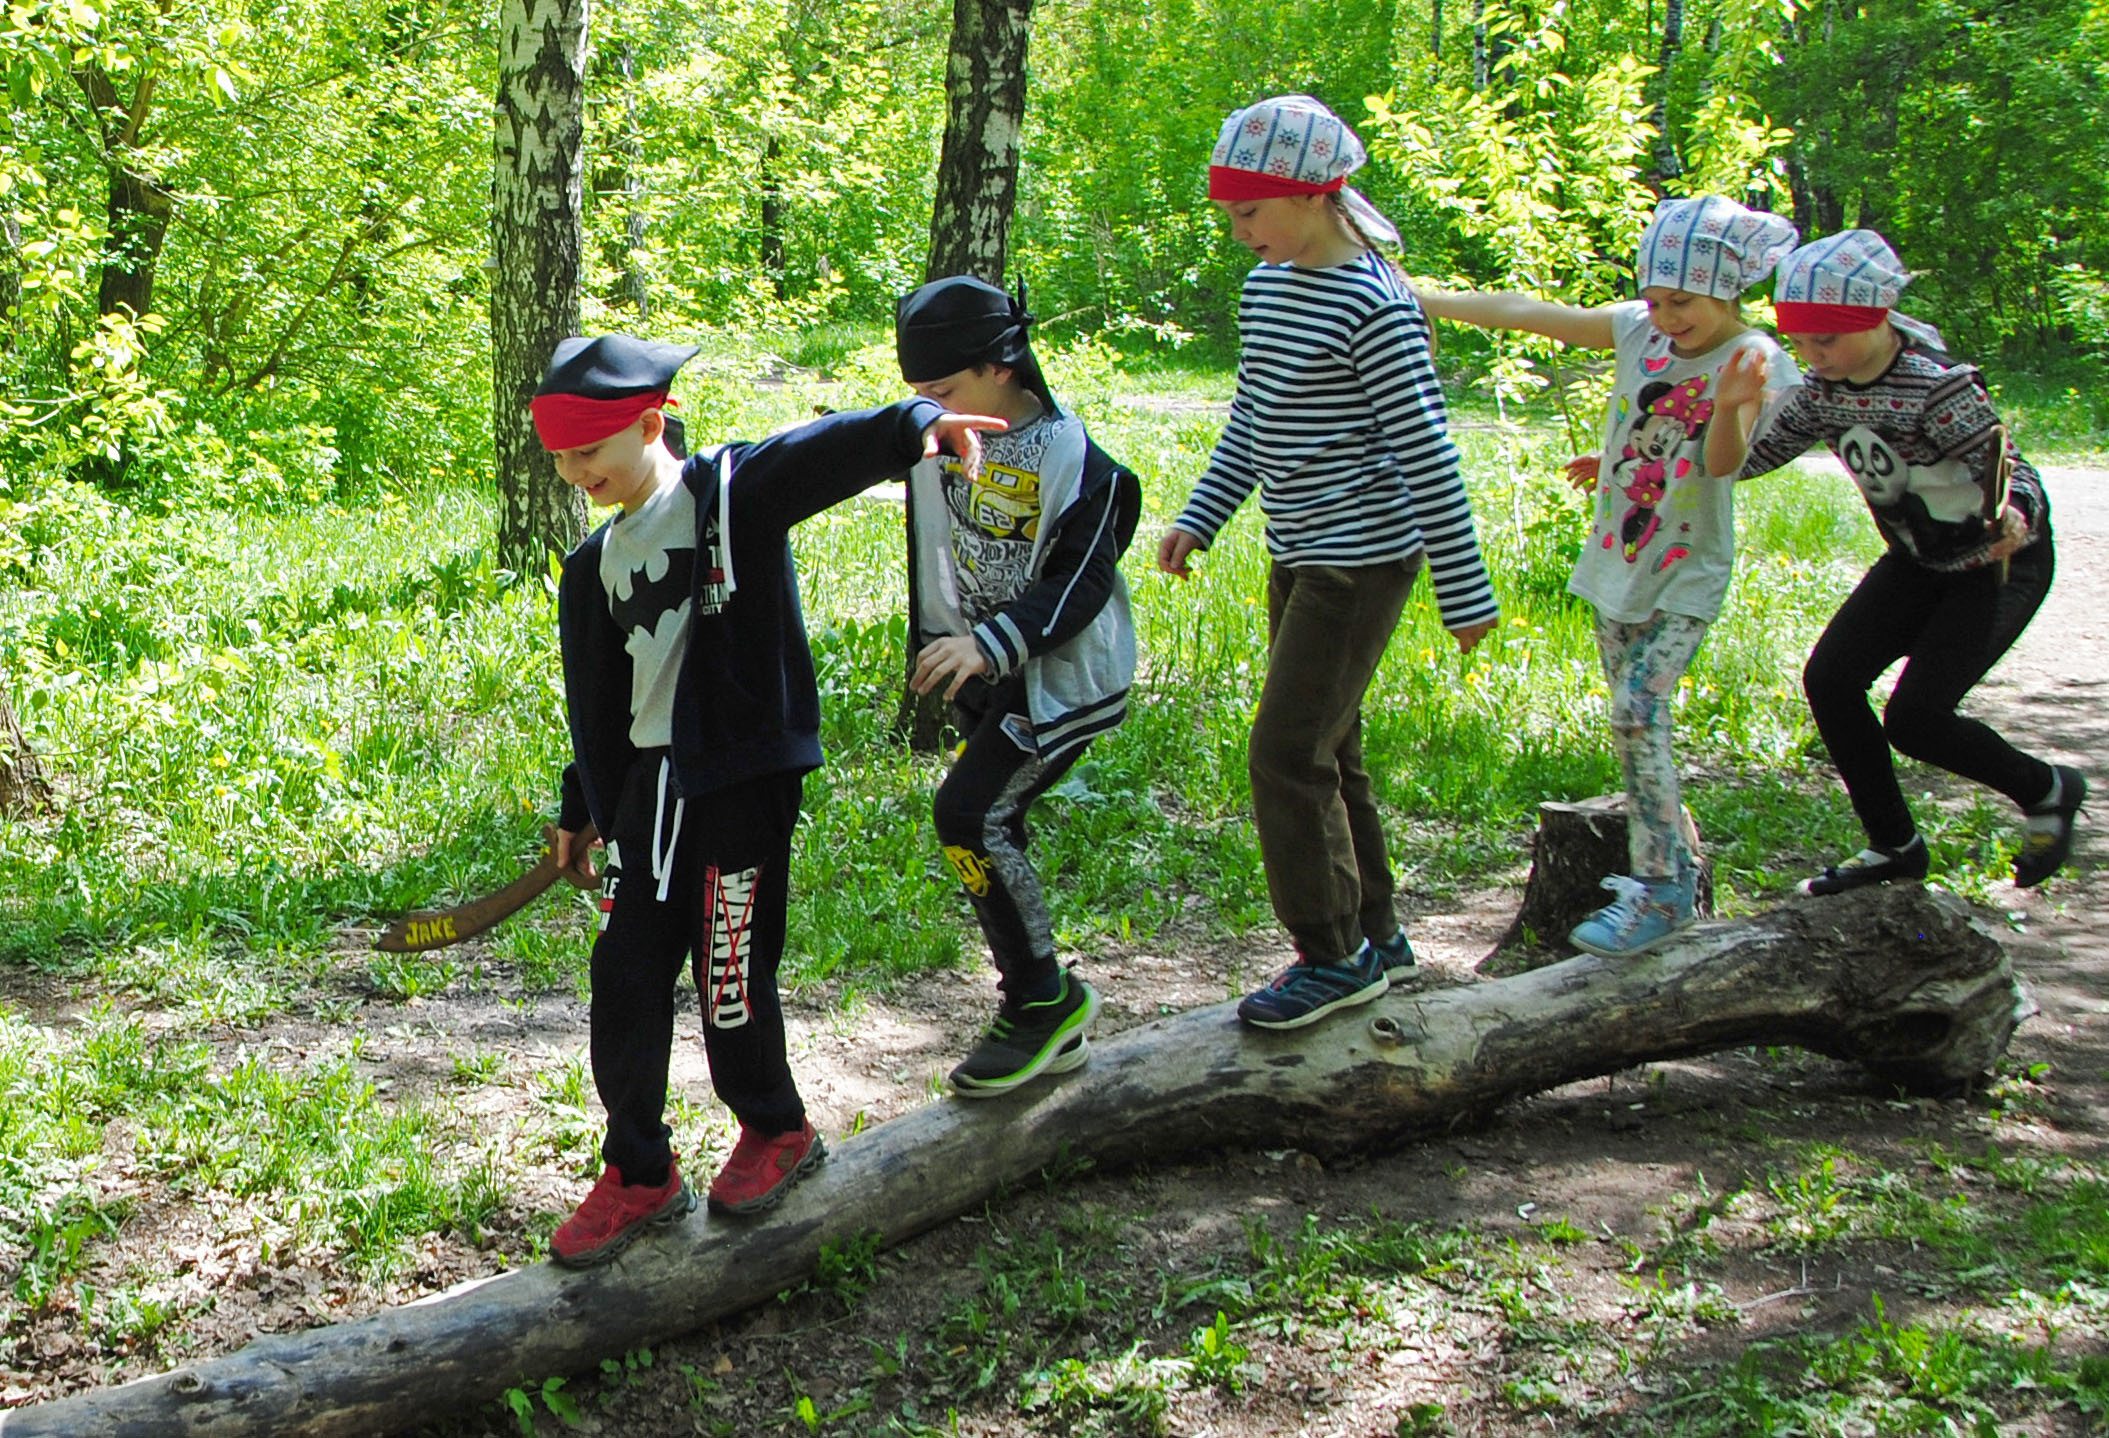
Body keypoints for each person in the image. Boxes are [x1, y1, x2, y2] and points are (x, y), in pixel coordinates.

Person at [533, 334, 1002, 1265]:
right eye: (561, 456)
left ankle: (774, 1129)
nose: (575, 471)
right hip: (651, 801)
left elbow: (818, 450)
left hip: (739, 779)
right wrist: (580, 805)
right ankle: (638, 1171)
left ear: (649, 422)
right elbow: (603, 702)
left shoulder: (726, 498)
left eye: (591, 450)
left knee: (729, 969)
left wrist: (918, 423)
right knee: (624, 973)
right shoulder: (592, 570)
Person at [1157, 95, 1499, 1029]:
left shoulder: (1376, 304)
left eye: (1250, 213)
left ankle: (1329, 953)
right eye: (1230, 216)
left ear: (1312, 196)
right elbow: (1254, 420)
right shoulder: (1268, 287)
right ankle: (1375, 938)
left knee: (1283, 752)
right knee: (1329, 751)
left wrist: (1464, 588)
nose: (1239, 234)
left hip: (1362, 563)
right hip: (1298, 550)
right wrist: (1204, 514)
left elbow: (1428, 450)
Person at [1415, 195, 1801, 956]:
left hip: (1686, 570)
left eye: (1681, 302)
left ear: (1728, 290)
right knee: (1631, 729)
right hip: (1616, 559)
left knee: (1636, 713)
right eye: (1654, 299)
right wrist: (1421, 297)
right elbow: (1524, 312)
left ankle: (1662, 889)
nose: (1663, 316)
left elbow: (1724, 465)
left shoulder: (1753, 358)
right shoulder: (1637, 330)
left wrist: (1729, 407)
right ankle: (1665, 853)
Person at [1705, 230, 2086, 893]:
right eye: (1802, 342)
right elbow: (1746, 463)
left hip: (1996, 564)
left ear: (1876, 319)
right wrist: (1726, 413)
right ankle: (1893, 845)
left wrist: (2015, 515)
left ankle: (2049, 788)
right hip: (1916, 562)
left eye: (1828, 339)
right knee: (1830, 680)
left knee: (1915, 720)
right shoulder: (1821, 394)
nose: (1813, 356)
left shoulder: (1936, 388)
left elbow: (2005, 466)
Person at [894, 275, 1143, 1095]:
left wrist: (993, 644)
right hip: (987, 676)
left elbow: (1079, 587)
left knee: (968, 814)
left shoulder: (1087, 468)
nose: (933, 408)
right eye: (919, 396)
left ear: (1003, 367)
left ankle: (1043, 1002)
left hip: (1057, 679)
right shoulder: (946, 440)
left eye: (943, 390)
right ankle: (1047, 1005)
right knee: (989, 825)